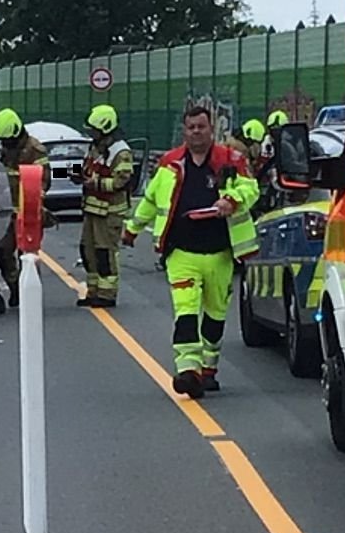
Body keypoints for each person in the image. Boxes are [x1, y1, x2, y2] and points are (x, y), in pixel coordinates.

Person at [126, 97, 258, 394]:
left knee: (215, 313)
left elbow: (251, 189)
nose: (196, 132)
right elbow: (151, 200)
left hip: (221, 252)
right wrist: (132, 229)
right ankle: (188, 370)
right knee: (185, 310)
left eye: (201, 127)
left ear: (212, 129)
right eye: (191, 127)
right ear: (184, 131)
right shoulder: (170, 164)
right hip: (181, 251)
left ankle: (209, 367)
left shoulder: (230, 161)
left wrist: (231, 201)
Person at [75, 102, 135, 308]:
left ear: (105, 129)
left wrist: (95, 183)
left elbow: (122, 181)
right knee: (87, 250)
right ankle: (93, 291)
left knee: (104, 253)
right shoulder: (96, 147)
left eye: (94, 130)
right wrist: (62, 173)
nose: (92, 134)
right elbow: (84, 167)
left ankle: (107, 295)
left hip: (109, 212)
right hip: (92, 209)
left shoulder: (121, 152)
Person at [0, 106, 45, 308]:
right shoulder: (7, 149)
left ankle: (29, 293)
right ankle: (14, 287)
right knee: (1, 250)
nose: (4, 144)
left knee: (28, 254)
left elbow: (45, 178)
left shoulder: (35, 150)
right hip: (6, 209)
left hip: (27, 210)